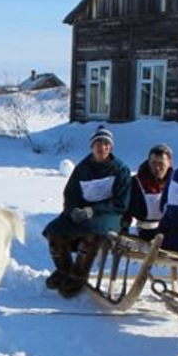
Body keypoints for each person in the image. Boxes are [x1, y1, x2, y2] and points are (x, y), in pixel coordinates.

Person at [43, 125, 131, 298]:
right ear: (92, 147)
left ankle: (77, 275)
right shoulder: (82, 168)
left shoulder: (120, 170)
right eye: (98, 143)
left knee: (91, 233)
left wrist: (94, 210)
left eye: (106, 144)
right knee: (54, 231)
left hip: (109, 214)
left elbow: (121, 202)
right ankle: (64, 270)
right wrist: (73, 210)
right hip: (82, 213)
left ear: (111, 147)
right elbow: (70, 194)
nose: (102, 147)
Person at [123, 143, 173, 241]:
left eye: (161, 163)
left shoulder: (175, 183)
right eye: (153, 163)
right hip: (144, 230)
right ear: (148, 162)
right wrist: (124, 229)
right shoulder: (137, 182)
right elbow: (125, 209)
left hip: (170, 231)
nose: (157, 168)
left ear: (169, 163)